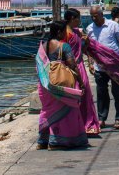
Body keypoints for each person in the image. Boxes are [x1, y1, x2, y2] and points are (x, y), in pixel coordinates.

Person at [35, 21, 88, 150]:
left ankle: (43, 141)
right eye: (64, 32)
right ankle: (57, 141)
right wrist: (81, 82)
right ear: (59, 32)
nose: (66, 34)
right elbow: (73, 65)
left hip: (45, 85)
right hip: (60, 84)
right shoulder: (64, 47)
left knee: (47, 111)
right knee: (68, 109)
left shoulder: (42, 47)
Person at [86, 5, 119, 129]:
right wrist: (90, 63)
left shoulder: (113, 26)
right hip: (99, 66)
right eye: (92, 16)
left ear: (101, 14)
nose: (94, 19)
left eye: (95, 16)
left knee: (117, 93)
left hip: (114, 66)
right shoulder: (90, 29)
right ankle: (102, 118)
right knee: (101, 93)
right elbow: (89, 48)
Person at [63, 8, 100, 135]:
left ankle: (86, 124)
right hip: (70, 68)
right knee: (75, 97)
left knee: (84, 96)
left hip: (79, 66)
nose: (79, 21)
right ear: (72, 19)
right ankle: (77, 125)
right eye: (78, 18)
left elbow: (83, 49)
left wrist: (86, 42)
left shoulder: (76, 33)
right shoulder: (65, 34)